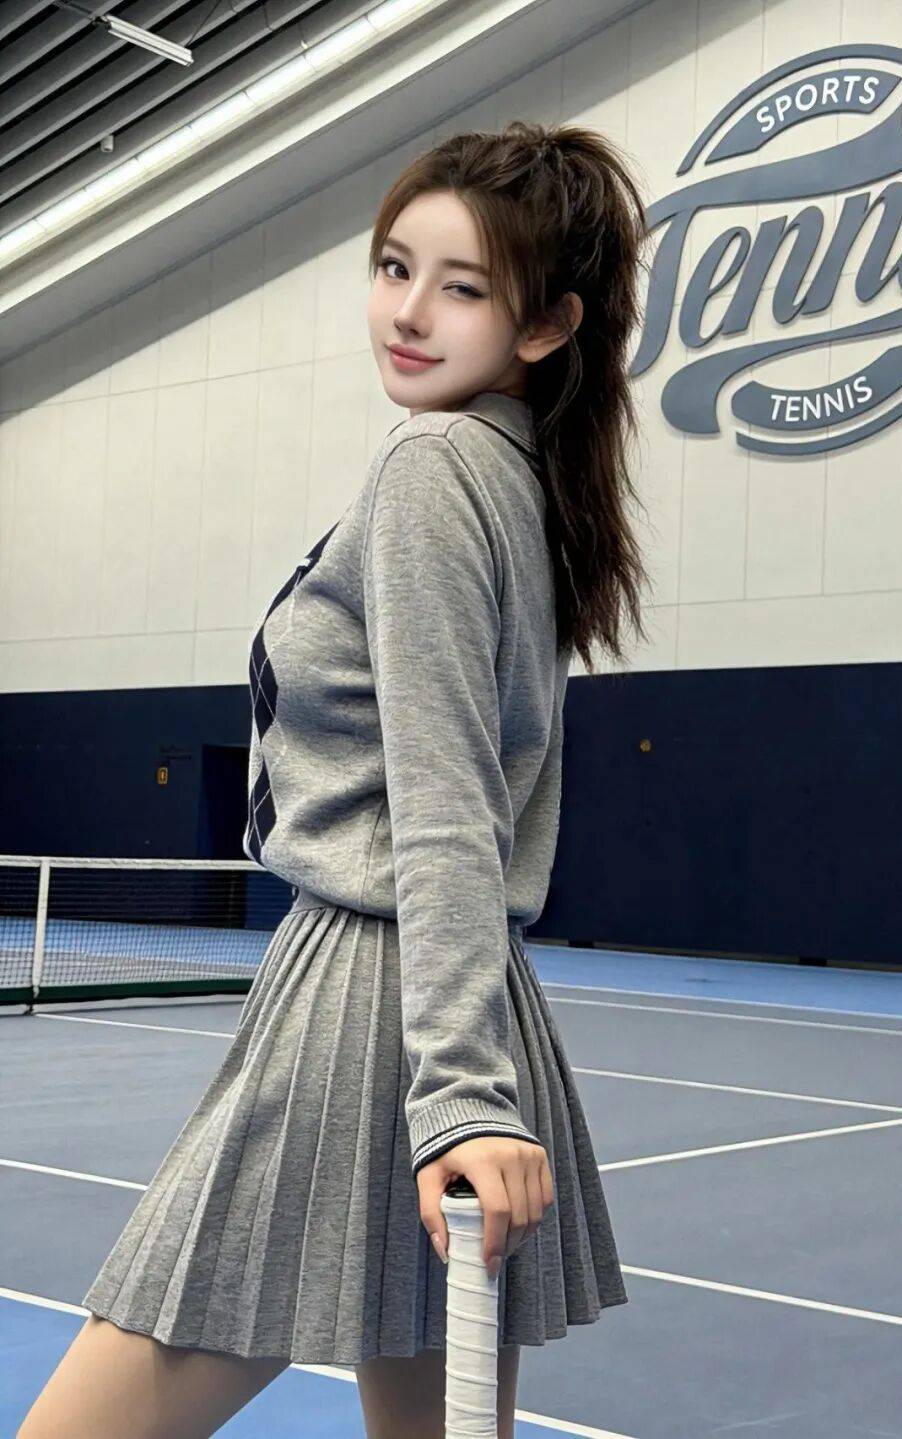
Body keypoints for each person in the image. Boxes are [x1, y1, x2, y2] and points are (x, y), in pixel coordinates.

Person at [18, 119, 652, 1439]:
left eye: (463, 287)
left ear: (547, 327)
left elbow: (445, 800)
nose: (408, 313)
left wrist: (462, 1095)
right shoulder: (521, 480)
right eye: (393, 267)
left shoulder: (433, 468)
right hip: (445, 995)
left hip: (369, 1003)